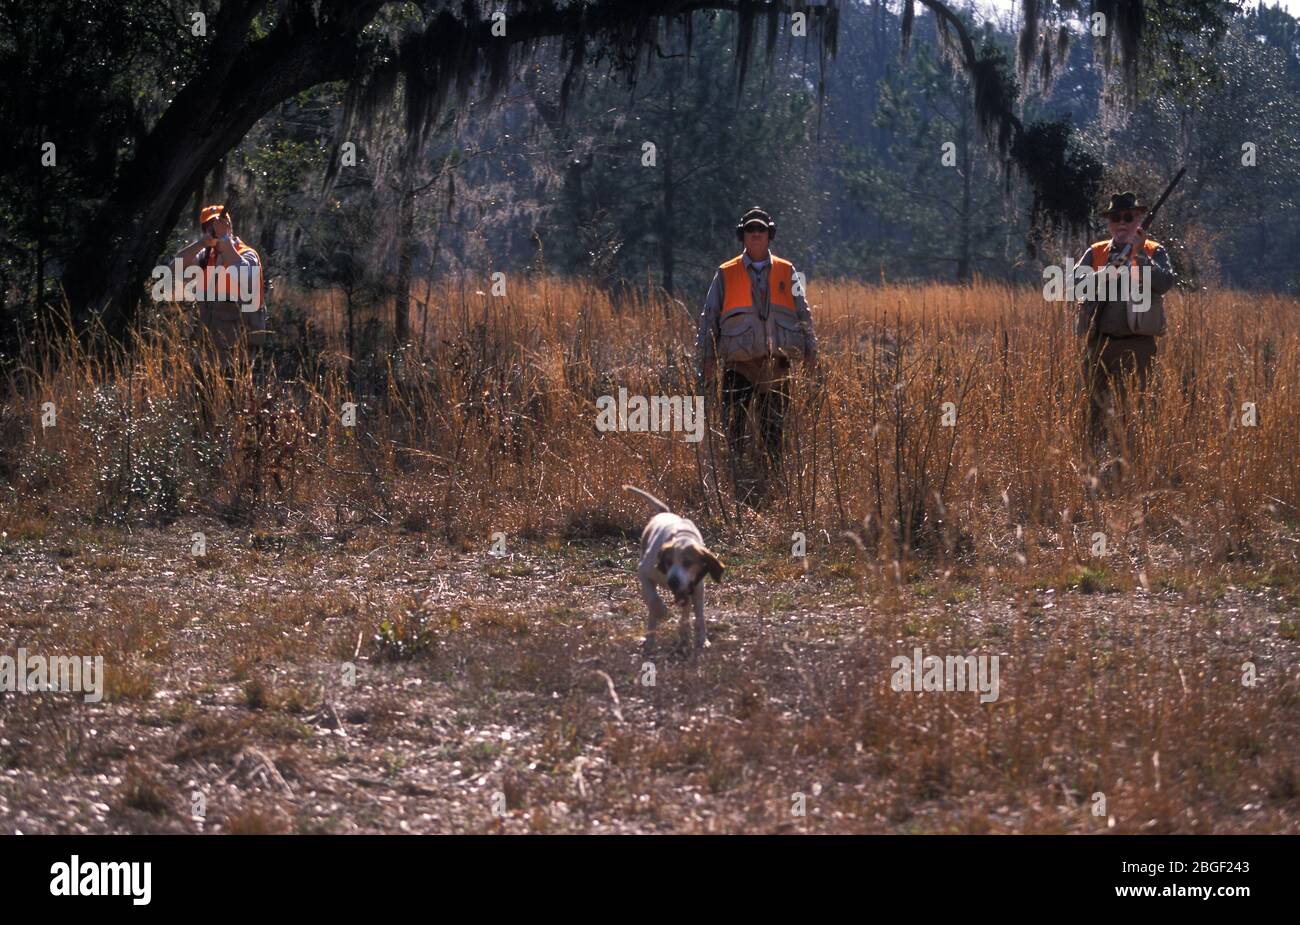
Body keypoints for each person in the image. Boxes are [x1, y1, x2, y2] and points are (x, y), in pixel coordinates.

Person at [697, 207, 818, 495]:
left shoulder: (788, 271)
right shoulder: (725, 273)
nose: (755, 234)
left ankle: (772, 486)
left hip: (776, 365)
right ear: (743, 236)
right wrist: (707, 358)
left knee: (773, 432)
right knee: (734, 428)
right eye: (750, 230)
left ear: (769, 235)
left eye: (761, 230)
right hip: (738, 365)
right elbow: (709, 316)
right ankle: (736, 486)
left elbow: (804, 313)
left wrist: (812, 350)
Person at [1072, 191, 1177, 464]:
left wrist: (1138, 254)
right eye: (1115, 218)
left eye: (1128, 217)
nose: (1121, 223)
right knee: (1093, 409)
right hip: (1098, 344)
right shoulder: (1096, 252)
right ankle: (1092, 467)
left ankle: (1130, 467)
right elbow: (1077, 285)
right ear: (1109, 223)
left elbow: (1166, 283)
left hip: (1137, 345)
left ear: (1138, 219)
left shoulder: (1153, 250)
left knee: (1133, 408)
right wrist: (1109, 269)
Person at [174, 204, 266, 355]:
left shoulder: (247, 254)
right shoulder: (205, 256)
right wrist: (202, 243)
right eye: (209, 227)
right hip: (206, 350)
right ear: (204, 231)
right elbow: (175, 267)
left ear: (229, 227)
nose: (215, 231)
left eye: (219, 226)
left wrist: (225, 241)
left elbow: (247, 277)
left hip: (239, 352)